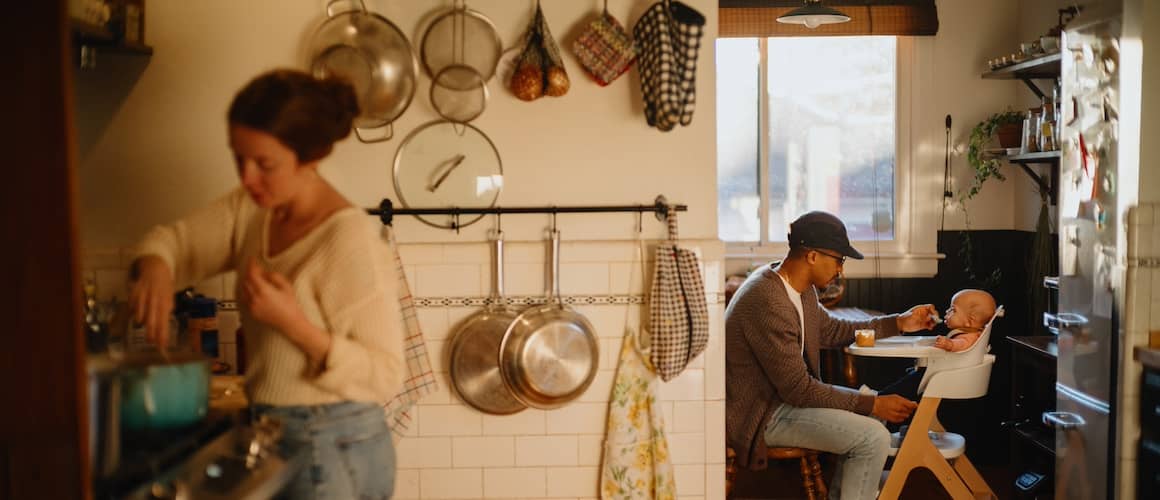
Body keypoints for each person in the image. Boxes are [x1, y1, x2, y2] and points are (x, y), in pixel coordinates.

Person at [128, 69, 404, 499]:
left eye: (265, 164)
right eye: (238, 158)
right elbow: (174, 243)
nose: (247, 177)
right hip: (279, 432)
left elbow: (386, 376)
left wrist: (293, 325)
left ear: (309, 158)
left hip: (334, 443)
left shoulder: (346, 241)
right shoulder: (253, 209)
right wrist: (156, 268)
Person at [725, 211, 938, 500]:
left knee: (872, 428)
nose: (840, 270)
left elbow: (834, 330)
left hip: (780, 403)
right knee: (872, 437)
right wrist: (872, 404)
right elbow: (799, 390)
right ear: (812, 256)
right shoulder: (767, 299)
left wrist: (900, 322)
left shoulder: (799, 289)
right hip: (761, 415)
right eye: (839, 259)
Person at [874, 289, 998, 402]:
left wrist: (949, 344)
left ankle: (881, 397)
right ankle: (880, 398)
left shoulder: (971, 337)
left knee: (907, 386)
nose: (947, 312)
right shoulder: (967, 333)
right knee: (910, 378)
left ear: (970, 320)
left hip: (941, 377)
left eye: (953, 310)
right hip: (938, 372)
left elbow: (963, 345)